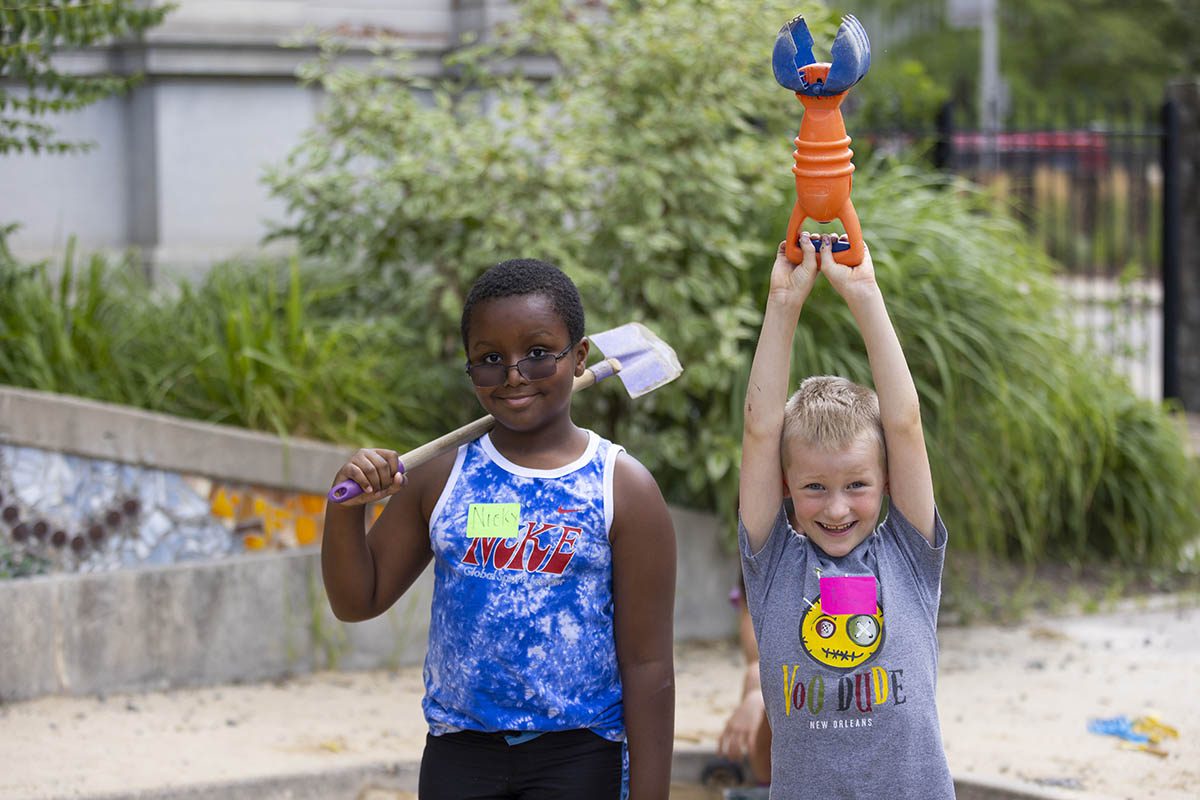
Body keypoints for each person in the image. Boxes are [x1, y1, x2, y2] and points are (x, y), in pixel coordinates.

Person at [321, 258, 677, 800]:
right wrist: (345, 509)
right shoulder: (440, 478)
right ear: (469, 368)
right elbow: (357, 600)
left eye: (537, 353)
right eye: (490, 359)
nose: (513, 374)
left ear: (579, 356)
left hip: (580, 755)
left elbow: (648, 664)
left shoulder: (621, 487)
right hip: (459, 754)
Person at [738, 234, 954, 798]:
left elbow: (904, 423)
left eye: (857, 485)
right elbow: (761, 429)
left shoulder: (908, 555)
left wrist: (864, 293)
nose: (836, 507)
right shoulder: (773, 562)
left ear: (886, 483)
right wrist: (783, 304)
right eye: (815, 487)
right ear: (786, 486)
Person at [715, 574, 771, 787]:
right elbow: (756, 656)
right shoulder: (763, 570)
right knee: (756, 676)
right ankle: (765, 784)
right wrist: (760, 693)